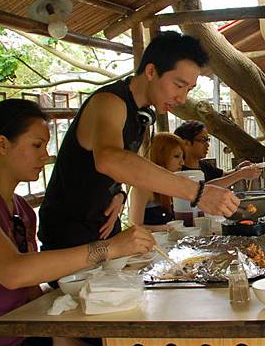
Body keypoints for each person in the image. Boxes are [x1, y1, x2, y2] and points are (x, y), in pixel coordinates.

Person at [0, 99, 154, 346]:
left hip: (25, 331)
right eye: (37, 145)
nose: (45, 155)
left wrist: (60, 329)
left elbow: (30, 289)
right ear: (2, 145)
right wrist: (110, 249)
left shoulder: (22, 209)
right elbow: (12, 271)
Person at [38, 31, 240, 252]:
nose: (182, 98)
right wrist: (197, 192)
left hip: (103, 233)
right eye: (178, 85)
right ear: (151, 71)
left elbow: (117, 169)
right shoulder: (109, 102)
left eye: (188, 90)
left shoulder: (141, 115)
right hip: (69, 239)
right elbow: (109, 159)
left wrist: (118, 193)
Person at [173, 120, 261, 186]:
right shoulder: (178, 170)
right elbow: (202, 190)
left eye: (208, 140)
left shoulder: (204, 165)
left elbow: (222, 176)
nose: (207, 145)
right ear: (186, 143)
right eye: (203, 140)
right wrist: (239, 174)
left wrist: (238, 170)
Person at [129, 133, 185, 231]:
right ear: (161, 156)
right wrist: (164, 228)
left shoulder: (172, 184)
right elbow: (134, 226)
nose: (182, 162)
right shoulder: (142, 188)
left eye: (183, 157)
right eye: (176, 156)